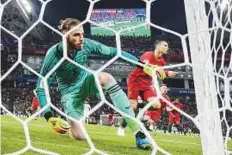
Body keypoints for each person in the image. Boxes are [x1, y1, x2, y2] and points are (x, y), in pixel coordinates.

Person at [36, 18, 152, 150]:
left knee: (106, 77)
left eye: (82, 34)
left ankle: (139, 134)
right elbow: (41, 86)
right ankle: (72, 125)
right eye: (76, 35)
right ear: (65, 36)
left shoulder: (87, 45)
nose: (81, 38)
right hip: (70, 94)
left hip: (87, 80)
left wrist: (141, 65)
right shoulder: (53, 55)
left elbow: (115, 52)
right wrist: (49, 117)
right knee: (79, 136)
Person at [117, 41, 176, 136]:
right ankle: (122, 127)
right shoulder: (148, 54)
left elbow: (159, 73)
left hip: (146, 85)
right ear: (157, 46)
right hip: (135, 81)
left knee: (157, 105)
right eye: (165, 45)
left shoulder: (162, 62)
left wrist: (168, 73)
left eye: (167, 46)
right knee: (132, 108)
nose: (167, 47)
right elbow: (143, 65)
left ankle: (137, 106)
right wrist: (156, 68)